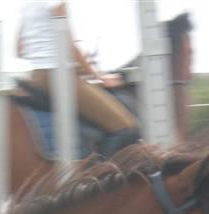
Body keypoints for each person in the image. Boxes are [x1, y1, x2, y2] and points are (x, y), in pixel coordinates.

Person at [17, 1, 140, 158]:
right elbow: (69, 47)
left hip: (36, 76)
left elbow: (19, 50)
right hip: (59, 77)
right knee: (126, 127)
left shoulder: (27, 5)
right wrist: (99, 77)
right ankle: (101, 178)